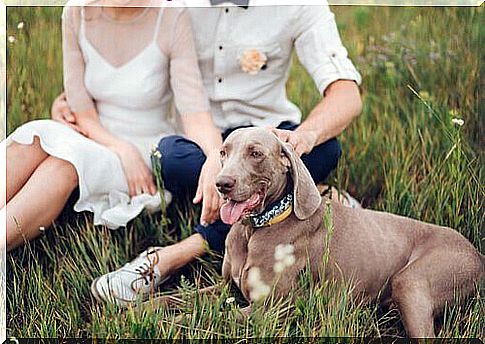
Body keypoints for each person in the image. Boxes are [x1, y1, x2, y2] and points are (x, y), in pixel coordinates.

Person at [52, 2, 363, 306]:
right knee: (168, 160)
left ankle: (176, 254)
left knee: (324, 149)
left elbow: (347, 94)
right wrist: (71, 104)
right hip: (198, 141)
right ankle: (306, 192)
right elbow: (128, 59)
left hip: (267, 138)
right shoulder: (176, 4)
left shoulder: (300, 5)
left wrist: (305, 136)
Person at [3, 0, 218, 251]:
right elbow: (81, 109)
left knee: (64, 164)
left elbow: (196, 115)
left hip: (144, 143)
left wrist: (216, 156)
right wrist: (120, 148)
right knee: (34, 137)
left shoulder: (171, 15)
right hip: (95, 130)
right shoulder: (76, 12)